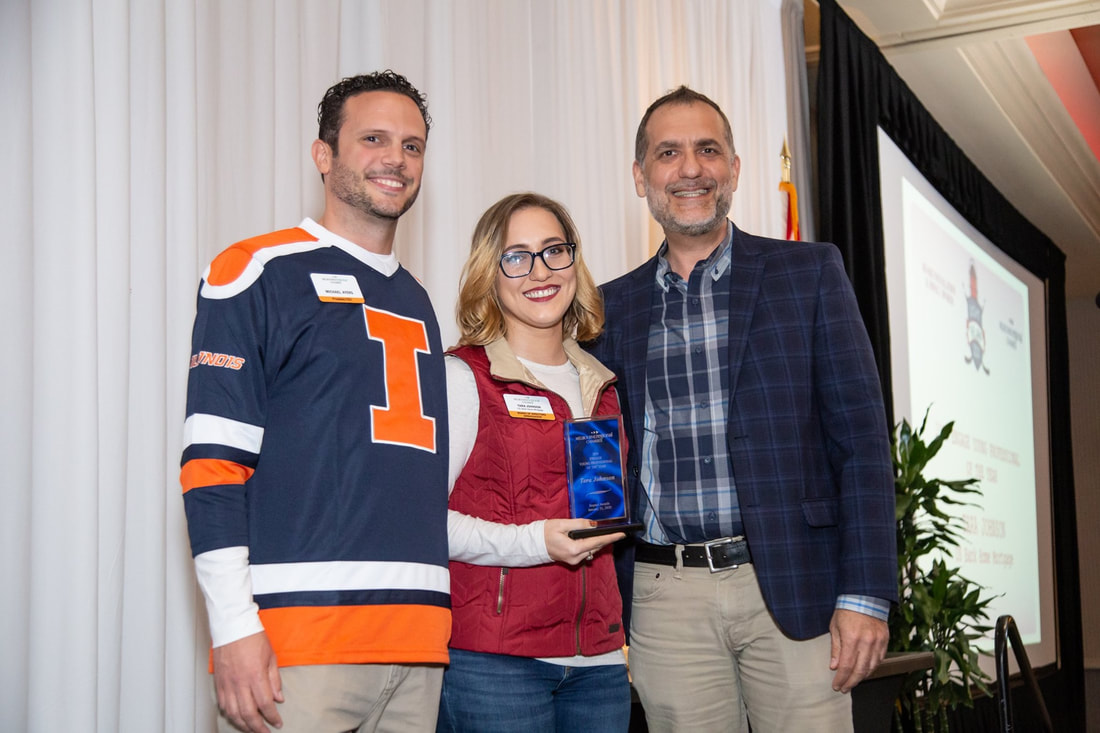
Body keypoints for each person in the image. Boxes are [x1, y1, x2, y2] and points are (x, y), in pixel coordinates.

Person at [585, 86, 897, 732]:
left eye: (708, 150)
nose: (690, 168)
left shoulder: (809, 273)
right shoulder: (606, 310)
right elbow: (599, 468)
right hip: (665, 599)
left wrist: (866, 593)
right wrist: (601, 610)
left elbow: (862, 444)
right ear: (641, 176)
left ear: (735, 167)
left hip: (793, 586)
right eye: (668, 153)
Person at [180, 71, 450, 733]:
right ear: (323, 155)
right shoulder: (254, 269)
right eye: (373, 139)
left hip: (418, 646)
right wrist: (233, 626)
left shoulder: (418, 299)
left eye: (412, 145)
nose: (396, 158)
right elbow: (211, 466)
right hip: (297, 643)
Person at [437, 192, 632, 733]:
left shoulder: (600, 384)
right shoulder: (462, 378)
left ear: (574, 260)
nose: (539, 271)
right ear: (490, 274)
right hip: (494, 665)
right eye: (516, 256)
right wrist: (533, 542)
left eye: (553, 251)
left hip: (600, 664)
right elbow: (423, 521)